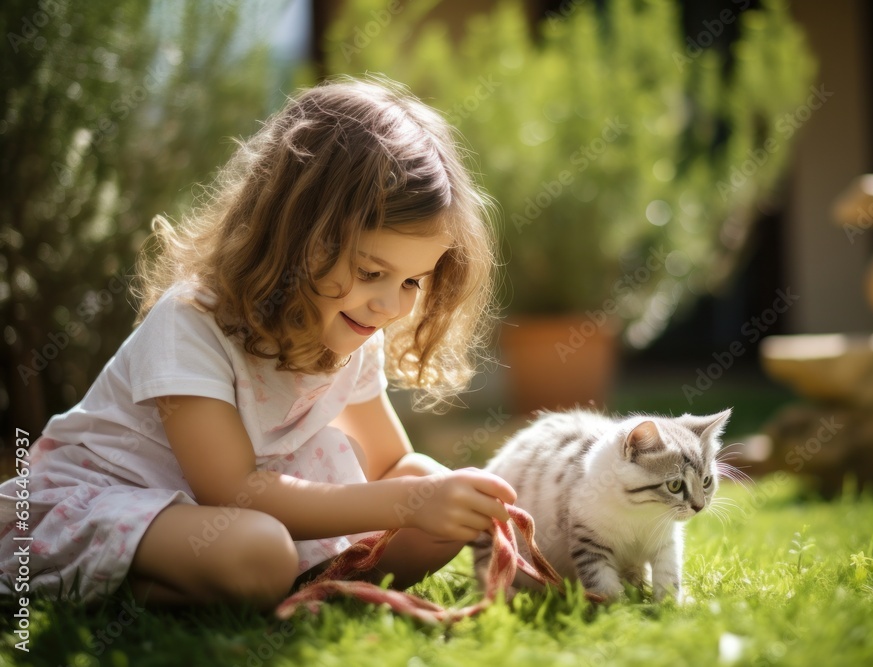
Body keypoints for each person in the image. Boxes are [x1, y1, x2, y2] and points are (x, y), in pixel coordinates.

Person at [0, 75, 517, 610]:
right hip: (110, 501)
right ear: (294, 237)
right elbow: (232, 491)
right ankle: (108, 584)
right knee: (261, 553)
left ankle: (322, 588)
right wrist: (409, 502)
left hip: (232, 522)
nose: (390, 306)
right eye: (370, 272)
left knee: (428, 478)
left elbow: (392, 467)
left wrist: (443, 498)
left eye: (412, 281)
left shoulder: (354, 333)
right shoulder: (191, 324)